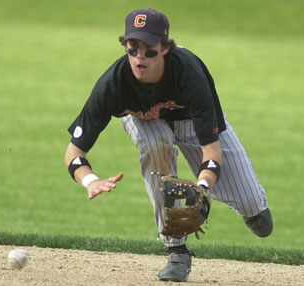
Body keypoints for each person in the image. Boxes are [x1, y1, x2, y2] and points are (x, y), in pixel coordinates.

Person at [65, 8, 273, 282]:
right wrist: (89, 180)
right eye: (133, 49)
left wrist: (202, 189)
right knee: (155, 144)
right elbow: (74, 153)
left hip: (192, 121)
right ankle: (176, 251)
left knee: (253, 209)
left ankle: (250, 208)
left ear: (165, 48)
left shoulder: (189, 74)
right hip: (144, 120)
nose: (140, 57)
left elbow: (212, 152)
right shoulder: (113, 83)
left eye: (149, 50)